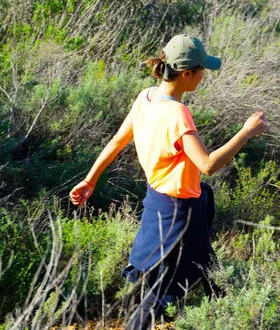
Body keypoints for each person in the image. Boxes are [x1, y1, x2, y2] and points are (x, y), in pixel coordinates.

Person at [68, 34, 267, 329]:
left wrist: (89, 180)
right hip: (179, 216)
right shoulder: (177, 113)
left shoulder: (146, 98)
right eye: (202, 71)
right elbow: (208, 165)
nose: (203, 76)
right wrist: (246, 132)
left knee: (212, 273)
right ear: (186, 74)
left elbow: (116, 143)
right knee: (160, 296)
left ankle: (236, 320)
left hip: (162, 205)